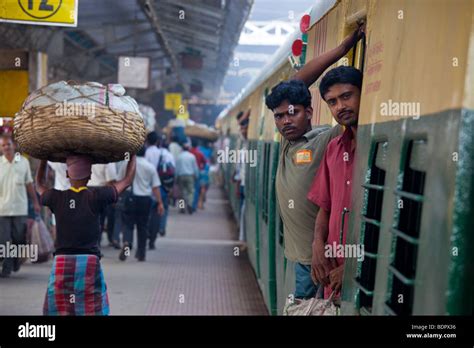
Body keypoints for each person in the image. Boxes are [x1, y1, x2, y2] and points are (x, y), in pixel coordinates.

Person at [264, 24, 364, 300]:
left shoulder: (329, 140)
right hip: (301, 256)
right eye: (279, 116)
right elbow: (295, 84)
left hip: (321, 262)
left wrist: (343, 50)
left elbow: (300, 85)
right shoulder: (288, 141)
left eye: (292, 113)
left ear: (309, 112)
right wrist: (342, 50)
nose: (285, 120)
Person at [36, 154, 136, 315]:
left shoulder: (56, 197)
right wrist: (132, 155)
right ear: (90, 175)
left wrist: (42, 160)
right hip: (89, 262)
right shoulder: (97, 196)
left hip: (62, 261)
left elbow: (39, 185)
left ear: (67, 175)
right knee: (91, 307)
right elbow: (126, 181)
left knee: (61, 307)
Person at [307, 65, 363, 299]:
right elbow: (325, 207)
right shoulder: (333, 149)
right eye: (332, 102)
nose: (340, 106)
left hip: (363, 285)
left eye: (346, 96)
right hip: (333, 281)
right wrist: (317, 245)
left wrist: (354, 268)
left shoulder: (379, 151)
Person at [0, 135, 41, 277]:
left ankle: (16, 260)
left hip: (20, 208)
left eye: (8, 144)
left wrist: (35, 202)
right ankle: (7, 267)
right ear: (0, 148)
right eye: (3, 145)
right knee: (4, 240)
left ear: (14, 145)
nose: (6, 147)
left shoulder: (22, 162)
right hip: (2, 210)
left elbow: (29, 184)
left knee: (19, 239)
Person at [118, 146, 164, 262]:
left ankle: (127, 243)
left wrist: (117, 196)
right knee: (142, 226)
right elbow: (155, 187)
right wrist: (160, 202)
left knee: (128, 224)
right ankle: (141, 254)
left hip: (130, 198)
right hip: (145, 199)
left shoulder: (127, 164)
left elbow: (120, 181)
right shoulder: (150, 167)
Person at [145, 131, 174, 248]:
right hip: (161, 187)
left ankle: (146, 233)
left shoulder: (146, 153)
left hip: (146, 188)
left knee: (147, 213)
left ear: (147, 141)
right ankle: (153, 238)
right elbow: (172, 171)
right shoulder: (165, 154)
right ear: (158, 141)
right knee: (158, 212)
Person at [89, 163, 118, 247]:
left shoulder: (87, 154)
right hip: (101, 189)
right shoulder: (109, 158)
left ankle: (89, 244)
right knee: (100, 219)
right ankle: (96, 245)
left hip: (87, 188)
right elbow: (111, 180)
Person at [175, 144, 199, 214]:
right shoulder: (192, 156)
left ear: (182, 149)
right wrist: (196, 176)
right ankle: (190, 204)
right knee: (190, 192)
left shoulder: (179, 157)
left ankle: (182, 208)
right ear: (188, 149)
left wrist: (176, 177)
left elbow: (177, 168)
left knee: (181, 192)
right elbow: (195, 167)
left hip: (181, 176)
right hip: (190, 176)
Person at [189, 139, 206, 211]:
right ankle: (193, 206)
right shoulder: (199, 153)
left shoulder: (188, 152)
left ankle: (182, 207)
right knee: (195, 190)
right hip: (196, 174)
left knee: (184, 192)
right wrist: (201, 168)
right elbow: (205, 162)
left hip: (187, 173)